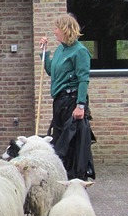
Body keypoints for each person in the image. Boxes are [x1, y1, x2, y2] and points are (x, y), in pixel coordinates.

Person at [39, 13, 96, 181]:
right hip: (60, 101)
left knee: (72, 141)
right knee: (59, 138)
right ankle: (61, 175)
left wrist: (80, 105)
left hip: (72, 101)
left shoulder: (80, 52)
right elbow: (51, 71)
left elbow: (83, 78)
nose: (54, 31)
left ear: (65, 29)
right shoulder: (60, 49)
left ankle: (75, 178)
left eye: (56, 28)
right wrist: (44, 53)